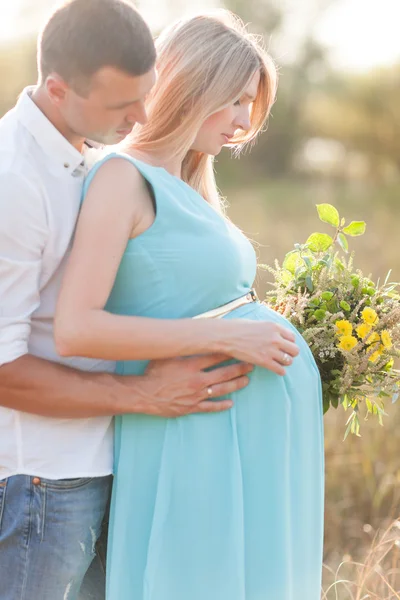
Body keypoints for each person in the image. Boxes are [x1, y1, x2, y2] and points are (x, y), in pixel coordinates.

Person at [55, 10, 325, 600]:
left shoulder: (190, 181)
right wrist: (228, 339)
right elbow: (76, 327)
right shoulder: (121, 177)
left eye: (252, 105)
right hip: (189, 434)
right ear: (188, 84)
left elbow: (194, 303)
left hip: (234, 437)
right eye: (233, 101)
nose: (244, 121)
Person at [0, 2, 254, 599]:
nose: (143, 115)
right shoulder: (13, 181)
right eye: (123, 106)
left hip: (110, 458)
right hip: (45, 478)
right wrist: (145, 394)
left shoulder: (85, 155)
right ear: (58, 89)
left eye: (147, 94)